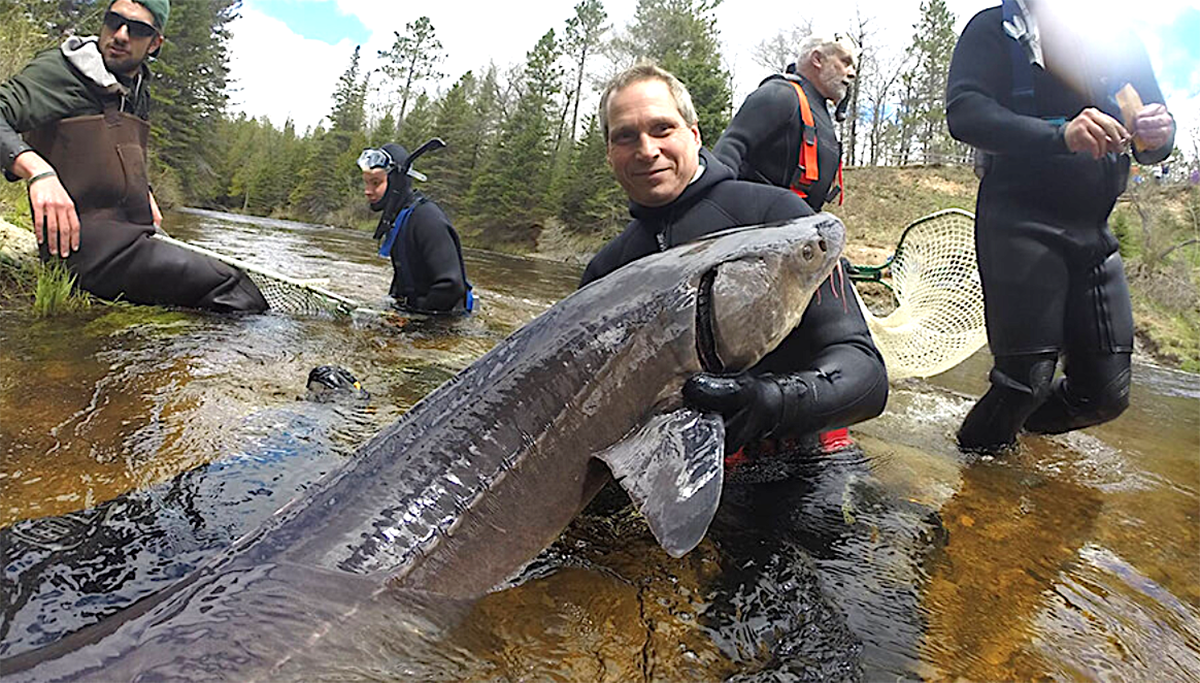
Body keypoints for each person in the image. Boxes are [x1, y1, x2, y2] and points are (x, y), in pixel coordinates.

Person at [582, 63, 887, 466]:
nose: (646, 149)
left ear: (693, 135)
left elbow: (865, 373)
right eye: (625, 136)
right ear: (609, 154)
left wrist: (769, 402)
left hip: (797, 464)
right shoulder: (604, 272)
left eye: (662, 129)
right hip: (664, 468)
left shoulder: (784, 221)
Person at [946, 0, 1175, 452]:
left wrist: (1159, 133)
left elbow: (1155, 138)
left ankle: (1005, 439)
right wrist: (1061, 133)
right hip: (1018, 219)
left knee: (1106, 395)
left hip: (1094, 229)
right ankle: (973, 467)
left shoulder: (1120, 39)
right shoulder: (993, 27)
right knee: (1023, 384)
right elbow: (965, 113)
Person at [0, 0, 267, 312]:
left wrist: (146, 191)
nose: (122, 34)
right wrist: (37, 171)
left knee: (220, 271)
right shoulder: (61, 71)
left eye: (138, 29)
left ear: (155, 43)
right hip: (85, 250)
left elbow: (122, 153)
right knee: (232, 286)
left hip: (134, 233)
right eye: (114, 21)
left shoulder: (139, 86)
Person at [713, 34, 858, 213]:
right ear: (817, 59)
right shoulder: (780, 95)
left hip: (795, 228)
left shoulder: (818, 112)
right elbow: (728, 152)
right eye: (845, 62)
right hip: (755, 227)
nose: (852, 73)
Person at [360, 142, 472, 314]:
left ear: (396, 182)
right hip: (417, 313)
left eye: (375, 183)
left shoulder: (426, 219)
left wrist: (414, 320)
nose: (368, 191)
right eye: (366, 183)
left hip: (446, 324)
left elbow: (451, 285)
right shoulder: (399, 217)